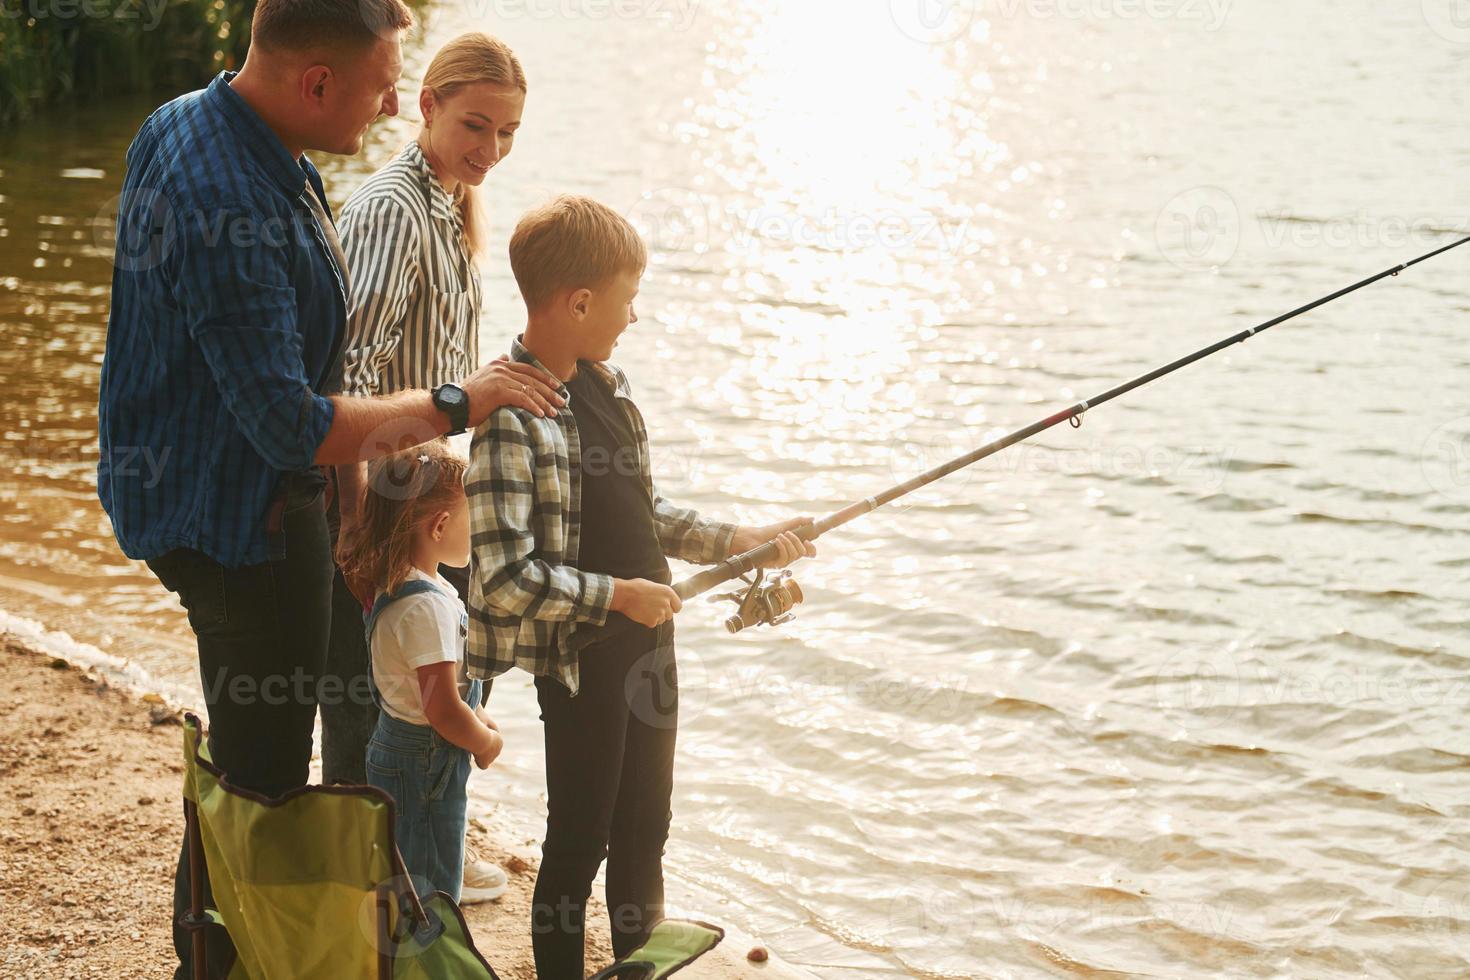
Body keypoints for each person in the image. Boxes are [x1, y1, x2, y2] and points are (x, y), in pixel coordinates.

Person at [93, 1, 563, 974]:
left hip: (213, 490)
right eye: (383, 82)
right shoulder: (227, 189)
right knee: (263, 773)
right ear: (315, 81)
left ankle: (213, 946)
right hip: (237, 523)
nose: (395, 101)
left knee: (243, 760)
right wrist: (454, 403)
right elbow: (291, 420)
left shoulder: (203, 120)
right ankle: (217, 960)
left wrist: (353, 503)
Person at [466, 195, 817, 978]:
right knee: (578, 840)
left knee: (646, 830)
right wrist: (617, 597)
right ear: (580, 301)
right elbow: (502, 577)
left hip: (650, 645)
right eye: (627, 298)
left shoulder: (608, 385)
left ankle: (639, 969)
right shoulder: (509, 416)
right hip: (586, 657)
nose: (633, 315)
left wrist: (738, 540)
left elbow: (641, 510)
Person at [324, 30, 528, 902]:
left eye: (509, 133)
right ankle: (379, 876)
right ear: (428, 105)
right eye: (475, 126)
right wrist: (354, 525)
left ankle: (423, 840)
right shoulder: (394, 210)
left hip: (427, 501)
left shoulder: (449, 204)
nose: (491, 150)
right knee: (381, 698)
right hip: (381, 505)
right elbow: (347, 371)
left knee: (431, 675)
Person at [337, 440, 503, 901]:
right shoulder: (426, 608)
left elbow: (427, 688)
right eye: (474, 521)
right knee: (429, 885)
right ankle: (423, 965)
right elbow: (442, 709)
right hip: (425, 764)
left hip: (400, 748)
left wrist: (480, 715)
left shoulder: (402, 583)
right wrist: (485, 741)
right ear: (441, 526)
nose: (479, 532)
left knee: (404, 867)